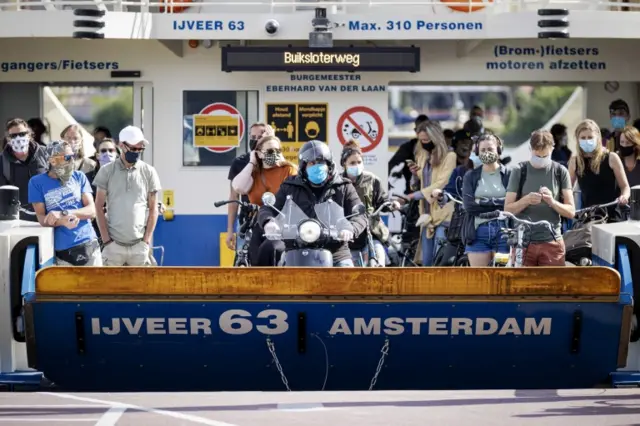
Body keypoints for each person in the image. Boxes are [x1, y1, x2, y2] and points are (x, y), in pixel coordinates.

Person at [258, 140, 367, 267]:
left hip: (336, 253)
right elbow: (268, 208)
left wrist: (350, 228)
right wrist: (269, 221)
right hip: (295, 250)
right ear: (304, 167)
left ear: (329, 165)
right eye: (312, 163)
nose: (317, 166)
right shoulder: (290, 186)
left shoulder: (344, 186)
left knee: (349, 280)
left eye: (321, 162)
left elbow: (359, 214)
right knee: (280, 279)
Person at [505, 129, 575, 266]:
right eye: (537, 155)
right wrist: (526, 200)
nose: (541, 160)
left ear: (552, 149)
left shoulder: (560, 171)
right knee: (522, 287)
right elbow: (507, 209)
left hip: (552, 243)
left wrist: (552, 202)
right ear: (530, 149)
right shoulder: (519, 171)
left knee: (553, 287)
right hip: (523, 243)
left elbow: (571, 211)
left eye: (545, 156)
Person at [93, 125, 161, 266]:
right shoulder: (106, 171)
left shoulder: (149, 171)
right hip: (113, 247)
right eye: (133, 148)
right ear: (122, 146)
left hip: (139, 246)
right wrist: (107, 241)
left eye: (140, 149)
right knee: (110, 288)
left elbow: (154, 209)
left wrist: (146, 241)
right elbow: (98, 207)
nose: (137, 152)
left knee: (141, 288)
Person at [27, 141, 101, 266]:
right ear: (52, 160)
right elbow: (41, 218)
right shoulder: (36, 182)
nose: (72, 161)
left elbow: (92, 210)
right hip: (61, 251)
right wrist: (62, 221)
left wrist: (64, 213)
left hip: (89, 244)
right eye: (67, 157)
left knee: (96, 286)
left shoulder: (79, 176)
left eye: (73, 156)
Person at [232, 135, 297, 266]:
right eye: (270, 151)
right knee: (254, 258)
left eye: (277, 150)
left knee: (271, 250)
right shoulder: (253, 173)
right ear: (259, 153)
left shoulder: (288, 170)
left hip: (282, 224)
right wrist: (251, 161)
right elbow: (238, 187)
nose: (274, 154)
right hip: (258, 223)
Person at [400, 120, 457, 266]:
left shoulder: (450, 156)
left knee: (440, 263)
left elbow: (441, 184)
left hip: (443, 215)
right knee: (426, 263)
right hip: (426, 216)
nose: (424, 143)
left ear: (436, 138)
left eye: (426, 140)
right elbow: (415, 186)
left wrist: (410, 197)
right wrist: (414, 175)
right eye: (421, 140)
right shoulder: (422, 155)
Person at [340, 139, 399, 266]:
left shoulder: (372, 179)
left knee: (378, 262)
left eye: (359, 162)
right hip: (348, 236)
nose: (356, 165)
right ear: (344, 163)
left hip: (371, 232)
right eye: (352, 163)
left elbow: (382, 201)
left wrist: (391, 205)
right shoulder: (339, 183)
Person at [460, 133, 511, 266]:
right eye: (482, 150)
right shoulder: (470, 176)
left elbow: (512, 203)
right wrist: (500, 202)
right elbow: (469, 206)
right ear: (477, 152)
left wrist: (482, 202)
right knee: (480, 280)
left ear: (498, 151)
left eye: (490, 149)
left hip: (504, 234)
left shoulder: (509, 175)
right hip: (478, 234)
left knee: (502, 277)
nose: (486, 153)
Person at [225, 123, 274, 253]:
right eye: (253, 137)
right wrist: (230, 230)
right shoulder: (239, 162)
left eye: (260, 137)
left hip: (273, 223)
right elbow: (233, 198)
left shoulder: (276, 162)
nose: (256, 140)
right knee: (243, 264)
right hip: (247, 223)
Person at [569, 119, 630, 221]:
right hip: (588, 218)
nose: (587, 140)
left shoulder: (611, 157)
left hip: (613, 217)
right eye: (583, 138)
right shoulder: (575, 161)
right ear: (578, 139)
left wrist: (624, 196)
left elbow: (625, 186)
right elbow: (567, 190)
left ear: (598, 138)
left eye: (590, 137)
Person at [0, 118, 48, 221]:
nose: (18, 138)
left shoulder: (45, 153)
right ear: (8, 139)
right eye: (13, 136)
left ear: (29, 135)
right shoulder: (2, 161)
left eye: (22, 134)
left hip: (46, 217)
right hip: (17, 220)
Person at [388, 114, 429, 195]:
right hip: (413, 194)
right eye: (420, 130)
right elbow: (391, 164)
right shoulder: (408, 147)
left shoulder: (437, 147)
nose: (423, 133)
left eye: (425, 130)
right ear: (415, 131)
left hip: (432, 193)